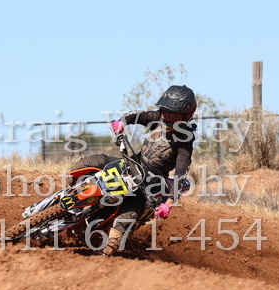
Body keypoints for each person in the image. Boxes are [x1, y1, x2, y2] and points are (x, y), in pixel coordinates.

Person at [71, 85, 197, 256]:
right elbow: (136, 115)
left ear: (188, 115)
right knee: (93, 161)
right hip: (130, 164)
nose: (168, 118)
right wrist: (121, 123)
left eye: (174, 116)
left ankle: (105, 251)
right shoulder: (157, 118)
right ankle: (69, 190)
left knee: (129, 213)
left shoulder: (185, 140)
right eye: (166, 113)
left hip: (149, 183)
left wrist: (168, 204)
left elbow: (181, 173)